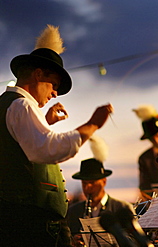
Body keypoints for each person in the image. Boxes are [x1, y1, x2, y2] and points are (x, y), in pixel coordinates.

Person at [0, 25, 113, 247]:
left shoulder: (7, 105)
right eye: (54, 85)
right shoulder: (22, 105)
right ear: (38, 74)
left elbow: (17, 143)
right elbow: (47, 149)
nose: (54, 94)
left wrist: (43, 120)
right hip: (32, 224)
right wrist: (92, 125)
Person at [66, 158, 134, 245]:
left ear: (104, 181)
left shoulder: (122, 207)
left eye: (92, 182)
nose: (87, 188)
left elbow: (133, 240)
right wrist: (72, 242)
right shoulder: (73, 211)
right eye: (84, 183)